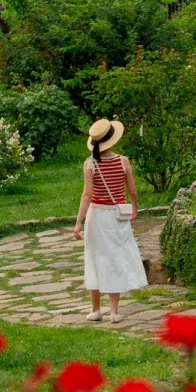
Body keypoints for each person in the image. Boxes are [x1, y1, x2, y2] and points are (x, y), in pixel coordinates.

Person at [74, 117, 145, 322]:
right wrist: (134, 207)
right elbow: (132, 189)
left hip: (97, 216)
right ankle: (114, 312)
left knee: (95, 258)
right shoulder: (123, 161)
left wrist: (79, 221)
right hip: (117, 216)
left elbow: (87, 195)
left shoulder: (90, 164)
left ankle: (95, 310)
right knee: (115, 259)